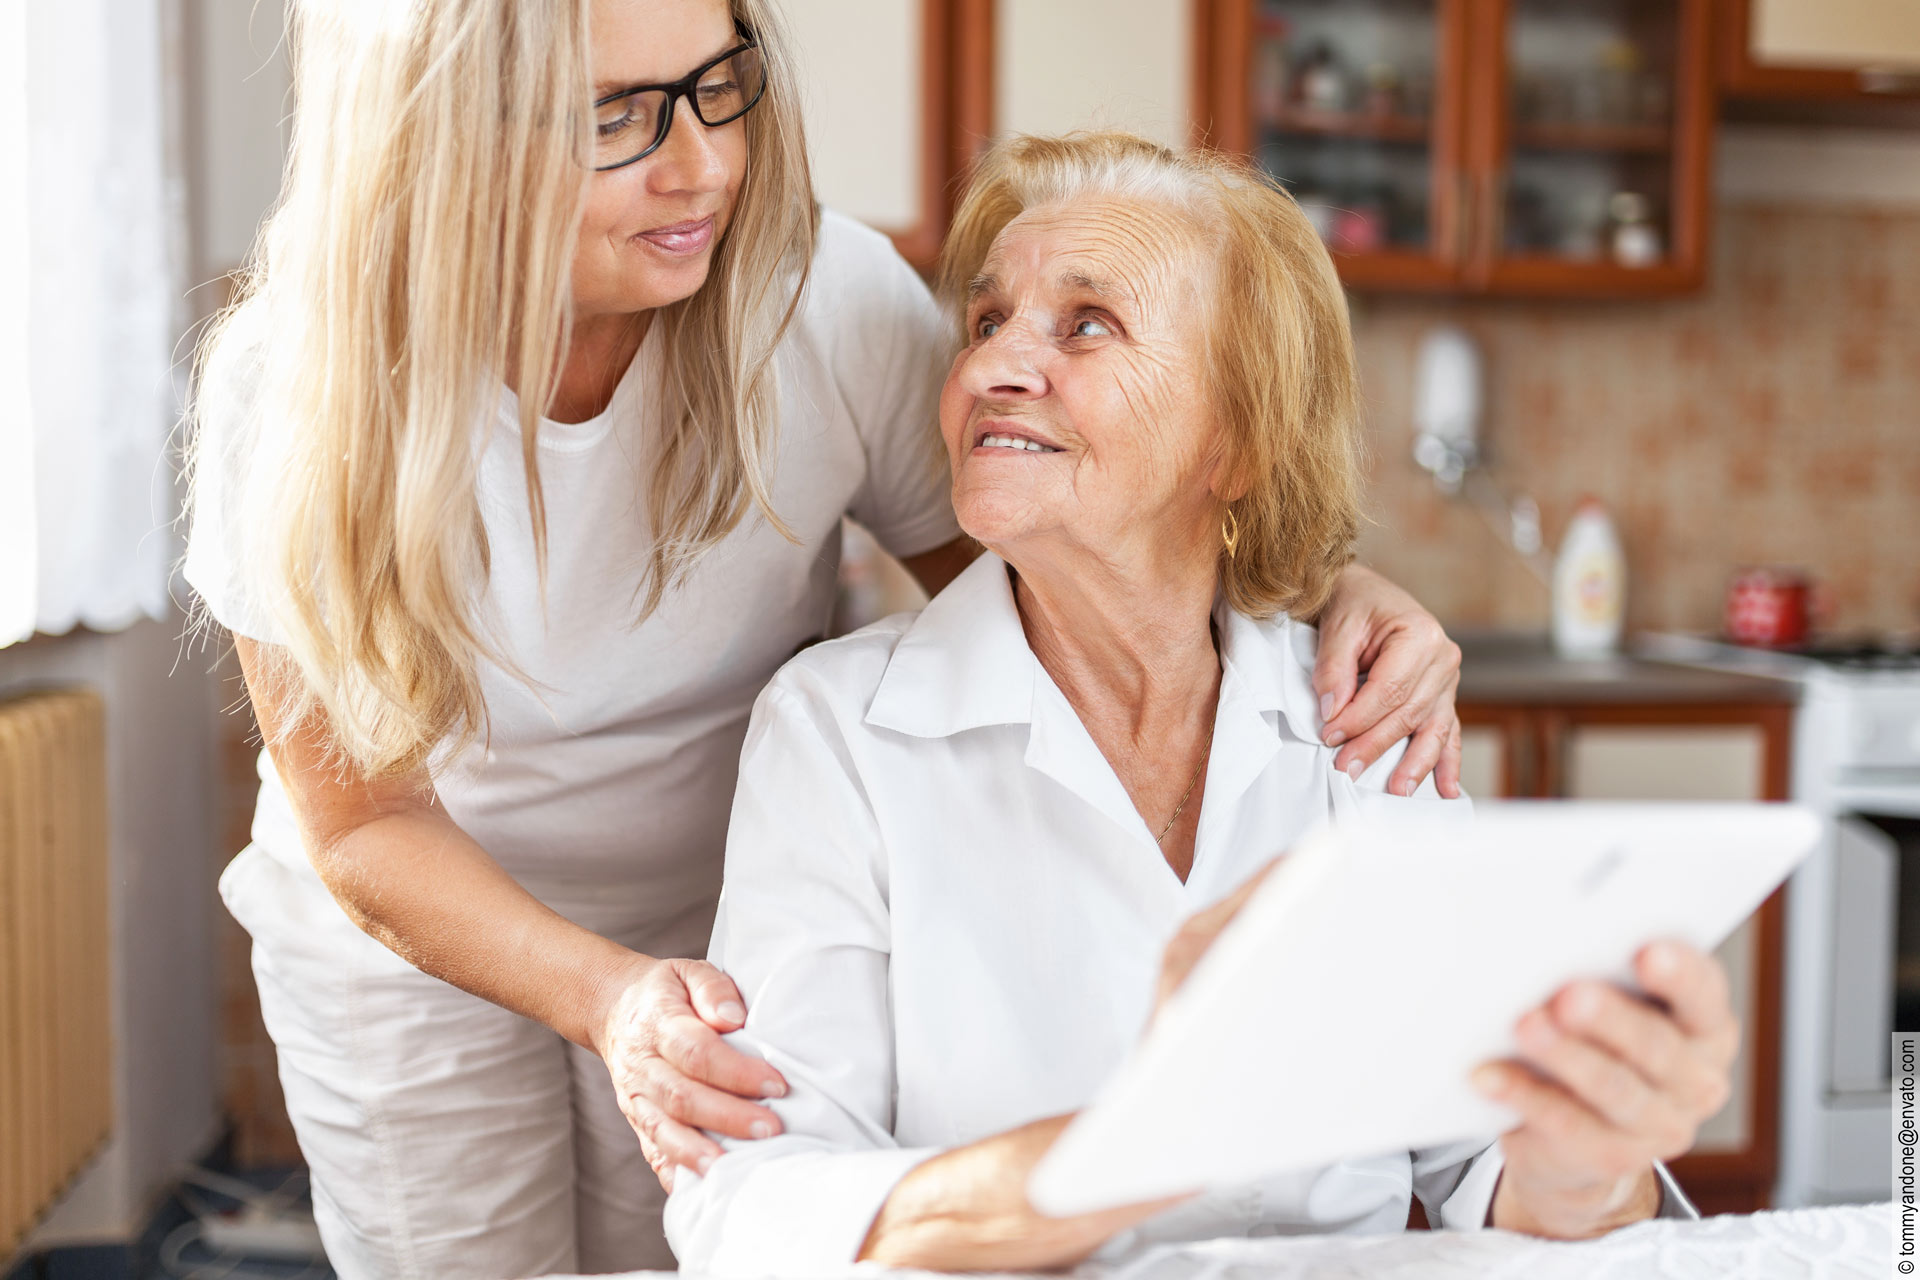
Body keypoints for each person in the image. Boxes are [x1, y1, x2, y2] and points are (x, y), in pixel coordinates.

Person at [184, 3, 1469, 1274]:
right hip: (423, 922)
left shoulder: (821, 303)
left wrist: (1320, 581)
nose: (701, 166)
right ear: (449, 141)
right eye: (616, 117)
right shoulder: (298, 388)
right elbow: (362, 819)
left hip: (719, 908)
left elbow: (1076, 528)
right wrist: (606, 996)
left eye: (715, 86)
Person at [663, 133, 1734, 1274]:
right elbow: (758, 1203)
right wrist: (1145, 1137)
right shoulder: (837, 733)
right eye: (986, 323)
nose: (988, 368)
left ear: (1237, 439)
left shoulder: (1364, 718)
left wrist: (1591, 1150)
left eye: (1085, 324)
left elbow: (1486, 1171)